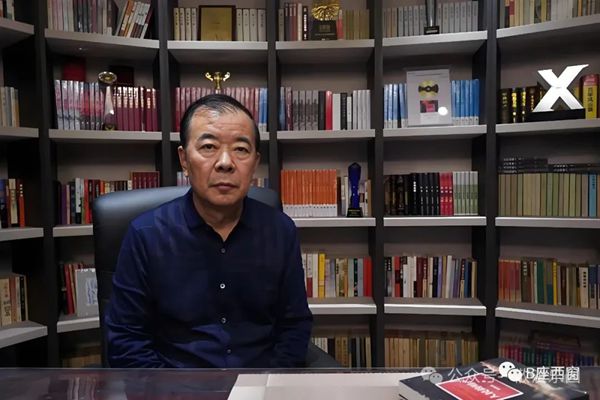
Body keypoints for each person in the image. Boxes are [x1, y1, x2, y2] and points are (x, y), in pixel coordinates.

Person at [106, 94, 313, 368]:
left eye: (241, 149)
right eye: (208, 147)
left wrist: (271, 383)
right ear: (184, 159)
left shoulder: (280, 231)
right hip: (174, 385)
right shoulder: (146, 235)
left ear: (255, 163)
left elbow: (294, 326)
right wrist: (168, 389)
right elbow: (126, 341)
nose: (225, 162)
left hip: (260, 382)